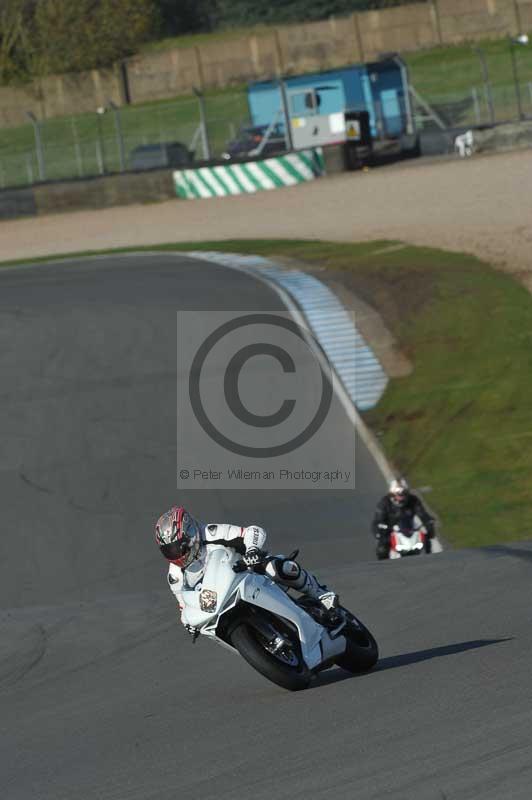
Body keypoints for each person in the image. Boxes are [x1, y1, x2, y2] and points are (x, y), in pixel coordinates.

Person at [155, 506, 340, 636]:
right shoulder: (175, 575)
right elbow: (183, 604)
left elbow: (253, 531)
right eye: (169, 550)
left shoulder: (210, 532)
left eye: (178, 546)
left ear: (190, 534)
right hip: (221, 596)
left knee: (280, 568)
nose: (176, 553)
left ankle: (321, 594)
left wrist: (252, 551)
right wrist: (188, 622)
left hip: (248, 569)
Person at [372, 478, 435, 560]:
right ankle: (384, 568)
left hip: (409, 529)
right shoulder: (384, 503)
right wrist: (381, 529)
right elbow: (378, 520)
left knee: (426, 540)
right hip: (390, 530)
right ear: (393, 494)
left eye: (404, 494)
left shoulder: (413, 500)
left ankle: (430, 560)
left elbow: (422, 513)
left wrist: (428, 523)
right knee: (382, 549)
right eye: (399, 495)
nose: (401, 497)